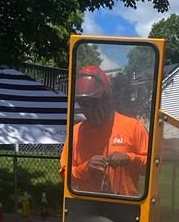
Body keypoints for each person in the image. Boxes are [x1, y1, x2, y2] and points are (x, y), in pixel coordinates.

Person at [62, 65, 149, 196]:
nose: (89, 110)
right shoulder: (76, 132)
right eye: (84, 105)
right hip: (87, 208)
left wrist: (129, 159)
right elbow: (65, 174)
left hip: (125, 207)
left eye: (93, 103)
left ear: (107, 98)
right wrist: (86, 168)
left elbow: (153, 167)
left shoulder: (133, 127)